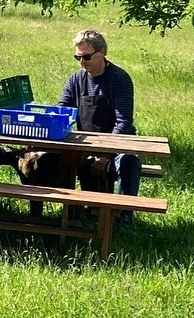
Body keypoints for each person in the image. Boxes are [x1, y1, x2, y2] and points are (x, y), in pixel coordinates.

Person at [57, 28, 141, 227]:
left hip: (117, 145)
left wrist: (105, 154)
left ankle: (124, 216)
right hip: (86, 145)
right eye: (77, 57)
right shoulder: (75, 80)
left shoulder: (119, 79)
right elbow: (63, 113)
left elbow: (123, 122)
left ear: (102, 52)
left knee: (130, 162)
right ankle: (73, 212)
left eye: (86, 56)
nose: (82, 62)